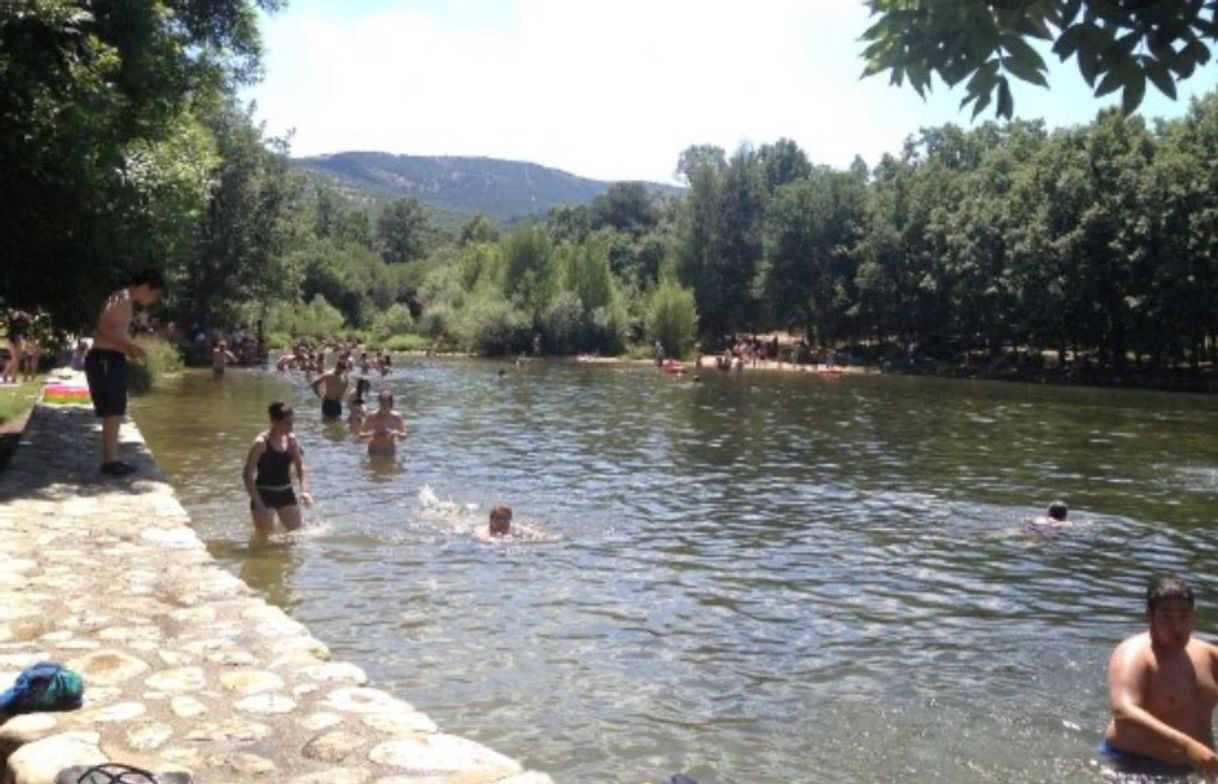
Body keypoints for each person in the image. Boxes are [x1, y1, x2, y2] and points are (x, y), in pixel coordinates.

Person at [1098, 575, 1218, 779]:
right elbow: (1123, 711)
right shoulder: (1134, 654)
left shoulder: (1208, 655)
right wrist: (1188, 745)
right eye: (1167, 617)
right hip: (1136, 766)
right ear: (1149, 617)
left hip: (1198, 766)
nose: (1177, 627)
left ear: (1193, 616)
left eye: (1184, 616)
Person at [84, 270, 166, 476]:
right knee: (112, 411)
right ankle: (111, 462)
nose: (154, 299)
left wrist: (128, 347)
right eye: (155, 294)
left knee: (115, 410)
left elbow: (111, 329)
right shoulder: (122, 299)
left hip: (109, 358)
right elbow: (104, 328)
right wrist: (130, 347)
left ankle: (112, 459)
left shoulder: (122, 299)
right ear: (146, 286)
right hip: (106, 359)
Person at [243, 401, 313, 534]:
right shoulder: (261, 443)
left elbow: (301, 467)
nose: (291, 428)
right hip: (264, 495)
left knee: (296, 536)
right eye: (287, 423)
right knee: (266, 541)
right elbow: (247, 475)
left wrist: (305, 491)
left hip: (286, 493)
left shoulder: (291, 440)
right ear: (274, 421)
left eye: (292, 423)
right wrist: (258, 504)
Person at [359, 390, 406, 456]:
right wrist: (371, 434)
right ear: (379, 403)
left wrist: (395, 433)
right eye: (382, 404)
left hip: (389, 450)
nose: (384, 406)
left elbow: (404, 435)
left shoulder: (396, 417)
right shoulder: (371, 416)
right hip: (374, 450)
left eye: (386, 404)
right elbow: (361, 434)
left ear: (390, 404)